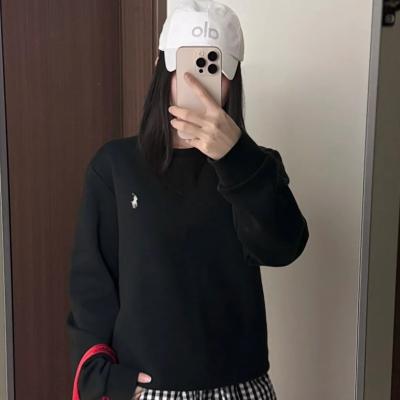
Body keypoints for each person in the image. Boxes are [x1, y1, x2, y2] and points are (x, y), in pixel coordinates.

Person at [66, 1, 310, 399]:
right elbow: (92, 285)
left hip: (241, 388)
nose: (197, 82)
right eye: (187, 65)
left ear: (233, 80)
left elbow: (283, 248)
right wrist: (103, 378)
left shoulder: (255, 166)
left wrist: (235, 158)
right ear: (161, 68)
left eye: (213, 68)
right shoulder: (115, 166)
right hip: (150, 390)